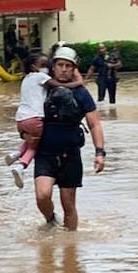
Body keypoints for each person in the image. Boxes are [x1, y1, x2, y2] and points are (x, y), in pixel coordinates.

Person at [32, 46, 106, 231]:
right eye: (60, 65)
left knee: (68, 204)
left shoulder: (81, 93)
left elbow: (94, 124)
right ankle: (50, 219)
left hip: (70, 155)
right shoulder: (41, 89)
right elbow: (26, 113)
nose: (64, 69)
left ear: (74, 69)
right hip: (45, 153)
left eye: (68, 66)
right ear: (53, 66)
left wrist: (100, 153)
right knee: (42, 195)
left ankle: (71, 251)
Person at [5, 52, 84, 189]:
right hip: (35, 119)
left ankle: (15, 153)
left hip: (21, 120)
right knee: (36, 145)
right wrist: (78, 82)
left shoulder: (25, 79)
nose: (46, 68)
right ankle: (21, 165)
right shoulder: (41, 77)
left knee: (30, 140)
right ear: (34, 67)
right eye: (43, 65)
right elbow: (60, 86)